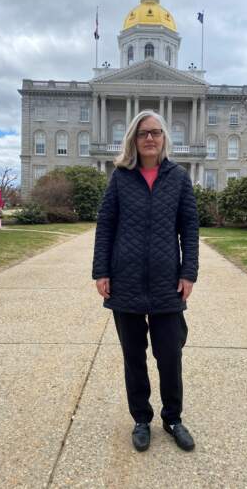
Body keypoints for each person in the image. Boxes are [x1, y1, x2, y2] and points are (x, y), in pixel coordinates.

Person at [92, 110, 199, 452]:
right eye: (143, 134)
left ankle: (172, 418)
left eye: (155, 132)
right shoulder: (120, 177)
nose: (150, 138)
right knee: (133, 356)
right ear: (134, 140)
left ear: (164, 137)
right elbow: (106, 225)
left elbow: (190, 229)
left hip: (167, 281)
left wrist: (188, 272)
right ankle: (141, 419)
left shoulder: (179, 178)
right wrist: (102, 271)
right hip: (126, 280)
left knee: (170, 354)